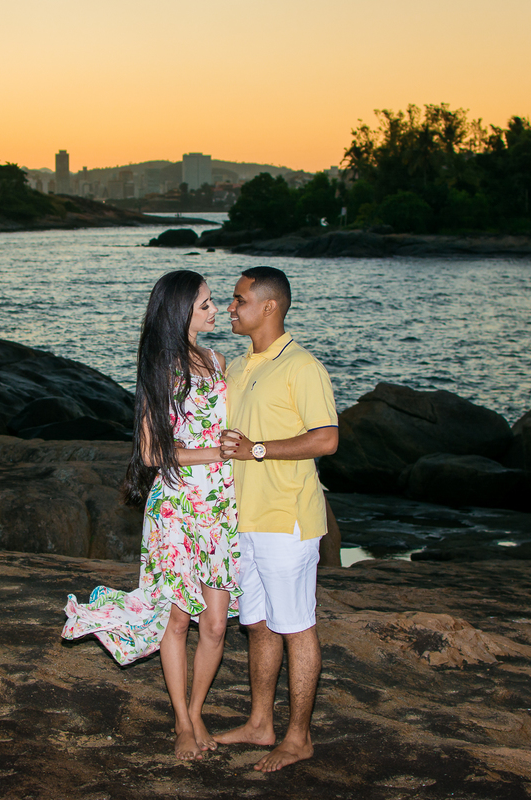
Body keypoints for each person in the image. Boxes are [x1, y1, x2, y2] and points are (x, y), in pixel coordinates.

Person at [62, 270, 240, 761]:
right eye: (205, 303)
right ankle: (182, 721)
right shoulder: (161, 369)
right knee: (177, 622)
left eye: (211, 302)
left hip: (221, 507)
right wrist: (213, 454)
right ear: (181, 310)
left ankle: (197, 707)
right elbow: (149, 450)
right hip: (178, 508)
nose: (214, 309)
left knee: (217, 625)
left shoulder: (219, 361)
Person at [215, 266, 339, 773]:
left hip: (286, 519)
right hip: (244, 519)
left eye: (239, 299)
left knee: (296, 626)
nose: (231, 306)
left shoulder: (302, 367)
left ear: (269, 307)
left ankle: (299, 737)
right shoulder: (240, 366)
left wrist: (257, 449)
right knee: (259, 625)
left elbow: (327, 438)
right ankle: (260, 723)